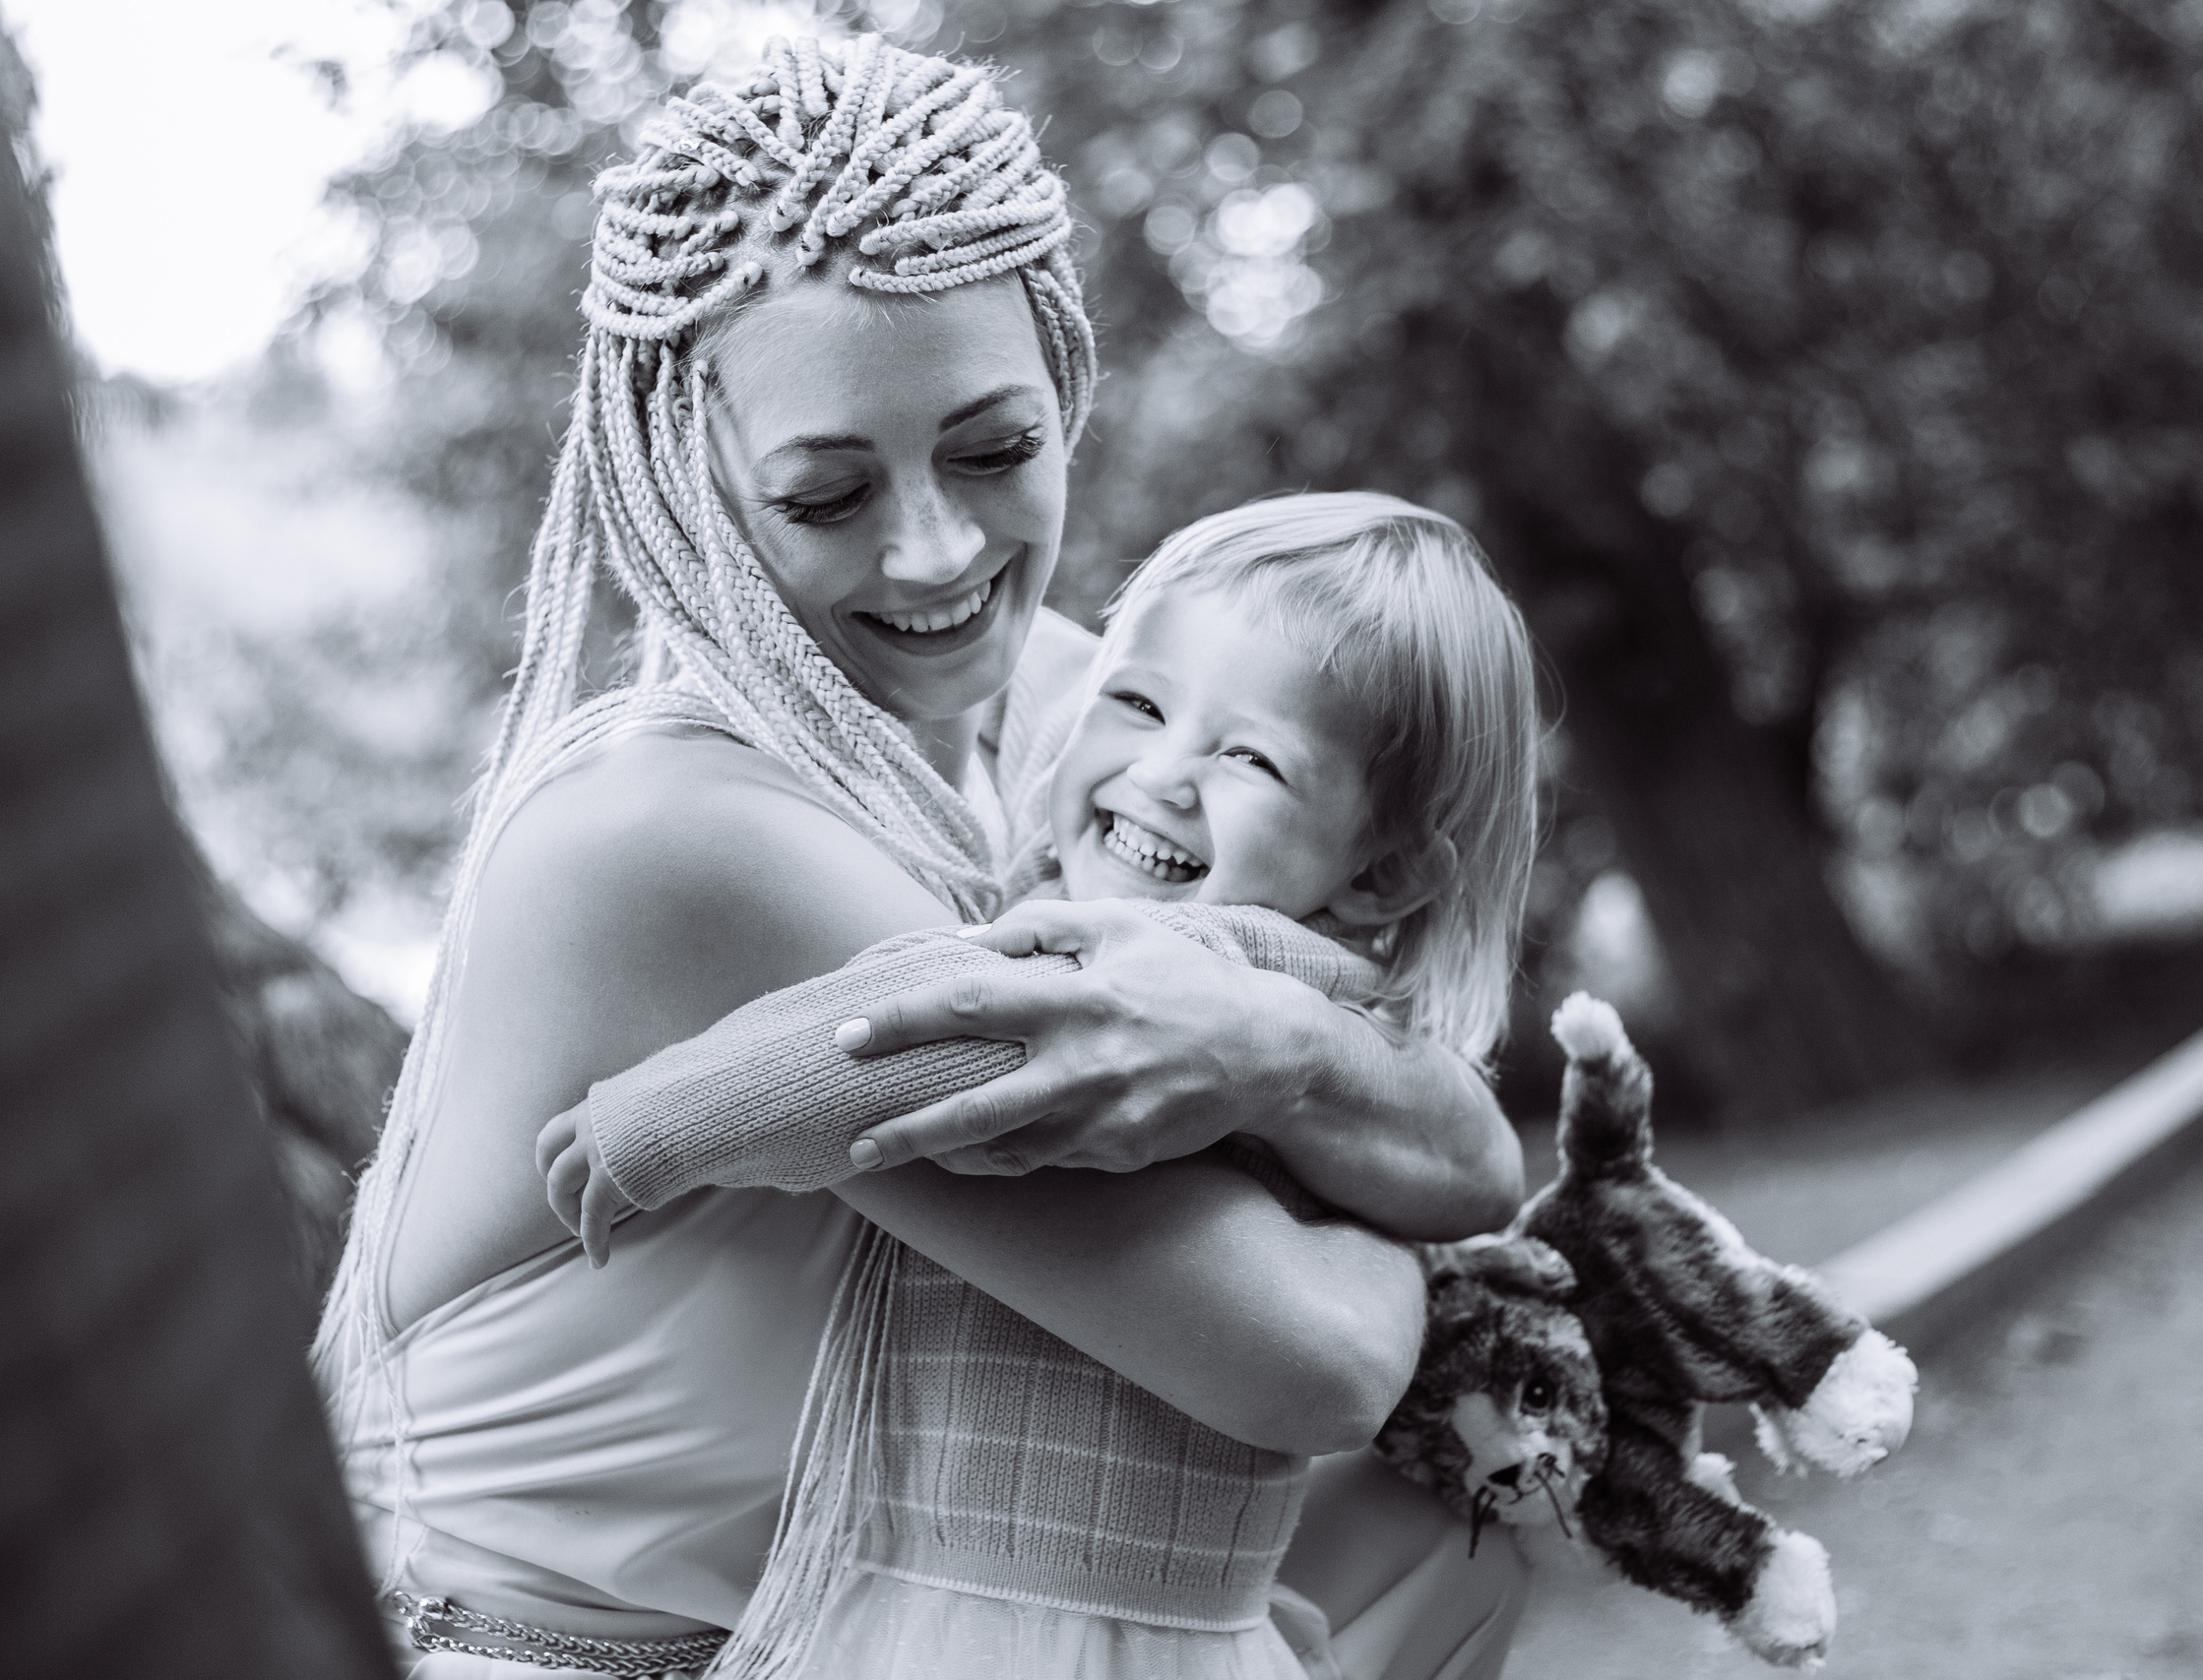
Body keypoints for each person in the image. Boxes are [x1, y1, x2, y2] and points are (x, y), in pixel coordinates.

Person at [314, 34, 1525, 1680]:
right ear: (693, 486)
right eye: (826, 496)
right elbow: (1305, 1356)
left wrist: (1275, 1038)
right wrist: (1358, 1152)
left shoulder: (1078, 720)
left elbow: (1459, 1132)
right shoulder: (686, 837)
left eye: (989, 447)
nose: (939, 551)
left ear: (1069, 379)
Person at [534, 491, 1543, 1679]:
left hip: (1024, 1616)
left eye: (1252, 758)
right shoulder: (1311, 994)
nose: (1163, 774)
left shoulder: (1200, 965)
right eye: (1138, 703)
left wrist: (662, 1117)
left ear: (1378, 876)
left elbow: (918, 1033)